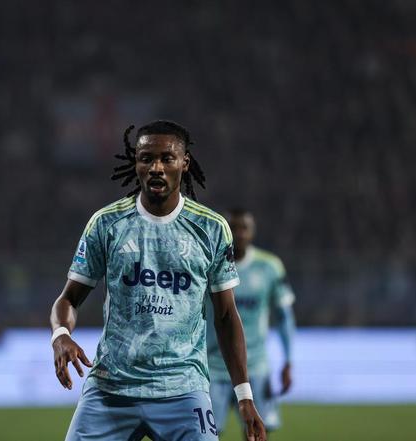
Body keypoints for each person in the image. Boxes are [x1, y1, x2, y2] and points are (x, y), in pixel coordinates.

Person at [50, 120, 268, 441]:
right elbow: (69, 298)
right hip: (112, 388)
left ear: (184, 163)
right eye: (146, 158)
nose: (156, 167)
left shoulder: (211, 229)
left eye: (167, 158)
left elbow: (225, 316)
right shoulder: (107, 223)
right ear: (136, 163)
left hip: (183, 389)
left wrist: (245, 396)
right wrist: (61, 334)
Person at [206, 209, 296, 438]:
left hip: (255, 367)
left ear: (253, 232)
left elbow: (284, 317)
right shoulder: (207, 262)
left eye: (244, 228)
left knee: (257, 433)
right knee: (205, 435)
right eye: (232, 228)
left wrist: (288, 360)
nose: (238, 234)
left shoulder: (269, 266)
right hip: (211, 368)